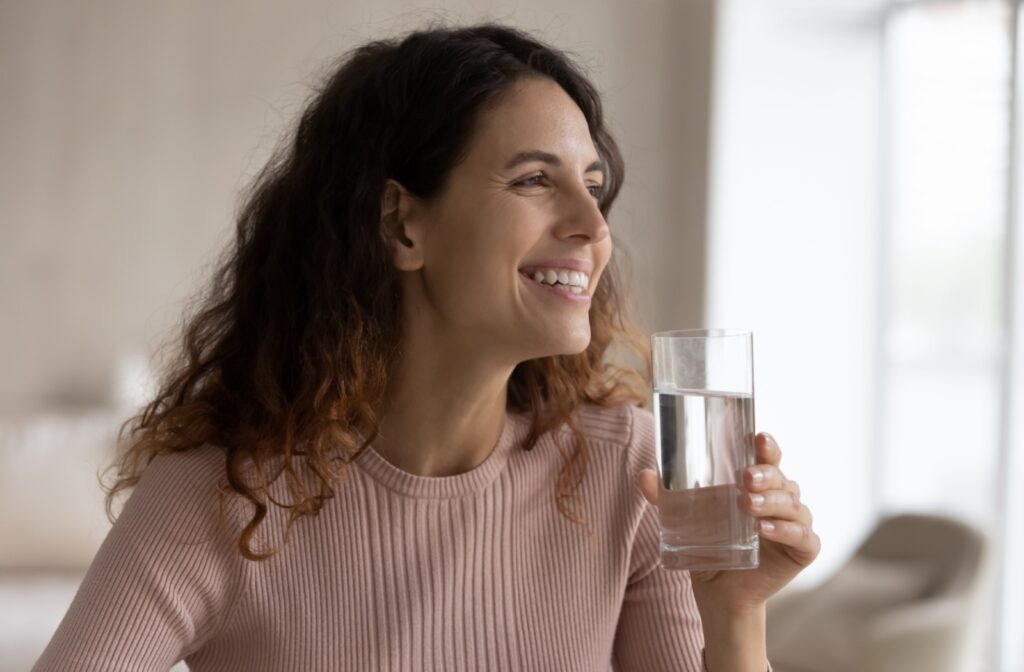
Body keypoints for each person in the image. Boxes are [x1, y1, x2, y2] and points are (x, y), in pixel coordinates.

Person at [33, 22, 819, 672]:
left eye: (593, 182)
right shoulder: (218, 498)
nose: (593, 225)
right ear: (402, 225)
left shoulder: (629, 475)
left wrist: (734, 611)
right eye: (534, 181)